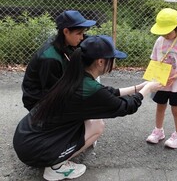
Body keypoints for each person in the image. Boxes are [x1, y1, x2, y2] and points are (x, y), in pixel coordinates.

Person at [13, 35, 162, 181]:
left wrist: (139, 87)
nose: (114, 62)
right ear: (101, 61)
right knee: (97, 126)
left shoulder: (74, 75)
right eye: (112, 58)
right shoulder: (89, 88)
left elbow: (107, 93)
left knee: (93, 120)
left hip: (25, 137)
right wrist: (148, 89)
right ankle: (56, 167)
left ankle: (58, 152)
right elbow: (125, 106)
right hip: (34, 150)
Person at [22, 10, 96, 111]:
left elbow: (91, 40)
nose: (82, 37)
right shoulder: (50, 58)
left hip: (54, 90)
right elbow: (52, 92)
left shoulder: (65, 42)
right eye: (79, 33)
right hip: (37, 100)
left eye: (83, 33)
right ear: (66, 32)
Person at [146, 8, 177, 149]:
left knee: (176, 110)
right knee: (160, 106)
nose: (165, 35)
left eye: (167, 31)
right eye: (162, 31)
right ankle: (158, 131)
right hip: (161, 82)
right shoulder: (159, 41)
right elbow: (154, 60)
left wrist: (175, 76)